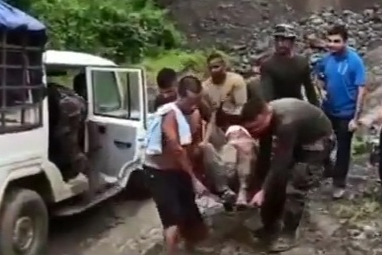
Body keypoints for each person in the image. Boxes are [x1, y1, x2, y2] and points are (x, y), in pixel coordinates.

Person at [241, 93, 332, 252]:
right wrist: (258, 184)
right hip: (298, 139)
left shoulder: (286, 122)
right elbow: (265, 154)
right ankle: (269, 222)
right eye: (250, 129)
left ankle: (289, 233)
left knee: (296, 185)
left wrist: (263, 191)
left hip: (317, 142)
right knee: (276, 180)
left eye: (256, 127)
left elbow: (280, 163)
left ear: (266, 114)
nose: (254, 132)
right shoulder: (269, 117)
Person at [143, 75, 209, 254]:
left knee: (190, 211)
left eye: (197, 101)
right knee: (172, 219)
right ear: (179, 96)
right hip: (159, 172)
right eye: (190, 102)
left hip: (180, 169)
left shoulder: (195, 112)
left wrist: (198, 171)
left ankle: (193, 247)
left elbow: (194, 144)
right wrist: (194, 179)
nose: (193, 106)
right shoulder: (170, 114)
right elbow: (176, 148)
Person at [315, 24, 367, 199]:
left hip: (347, 112)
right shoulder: (326, 59)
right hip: (328, 110)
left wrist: (356, 117)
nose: (332, 45)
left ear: (345, 41)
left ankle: (339, 183)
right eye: (329, 41)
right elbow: (319, 76)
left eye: (336, 41)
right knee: (323, 142)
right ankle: (327, 167)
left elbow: (361, 90)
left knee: (343, 148)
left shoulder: (354, 61)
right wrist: (320, 90)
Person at [259, 23, 319, 106]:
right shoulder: (268, 65)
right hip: (278, 107)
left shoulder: (301, 62)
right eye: (277, 40)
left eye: (283, 40)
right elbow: (267, 96)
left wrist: (316, 109)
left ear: (292, 41)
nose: (280, 44)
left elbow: (310, 90)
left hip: (297, 105)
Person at [202, 52, 248, 131]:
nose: (213, 70)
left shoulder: (236, 80)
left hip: (236, 121)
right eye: (210, 68)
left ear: (224, 66)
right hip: (213, 124)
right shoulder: (205, 87)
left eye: (216, 67)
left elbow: (242, 106)